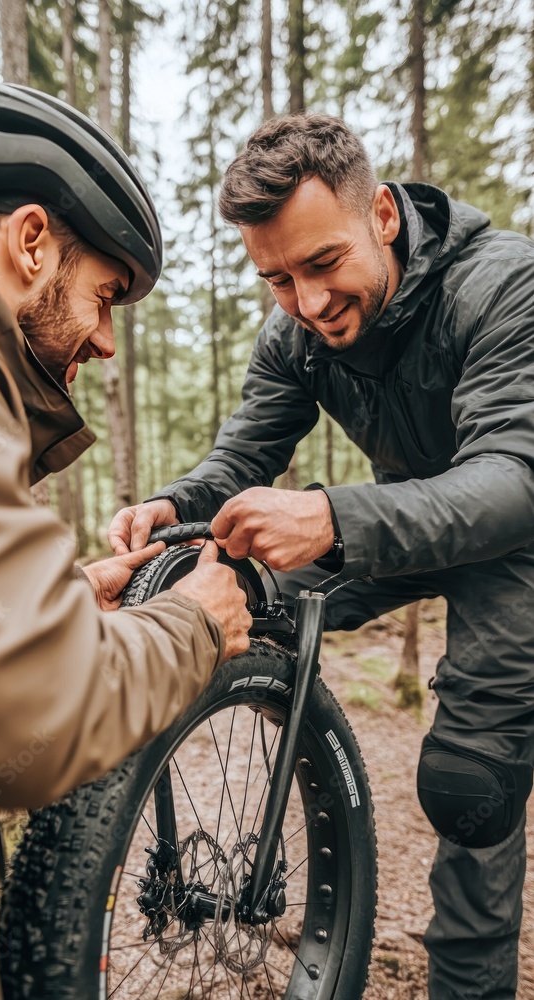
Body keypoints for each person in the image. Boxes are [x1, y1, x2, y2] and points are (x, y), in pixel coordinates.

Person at [110, 112, 534, 999]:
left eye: (322, 264)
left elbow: (511, 482)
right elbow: (240, 458)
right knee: (224, 594)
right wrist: (170, 505)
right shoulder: (295, 335)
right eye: (276, 279)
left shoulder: (504, 286)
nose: (306, 303)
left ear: (381, 214)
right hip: (396, 522)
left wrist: (331, 516)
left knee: (468, 785)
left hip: (511, 536)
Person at [0, 79, 251, 1000]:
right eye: (105, 294)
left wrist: (54, 601)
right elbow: (14, 717)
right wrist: (191, 626)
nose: (108, 342)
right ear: (30, 240)